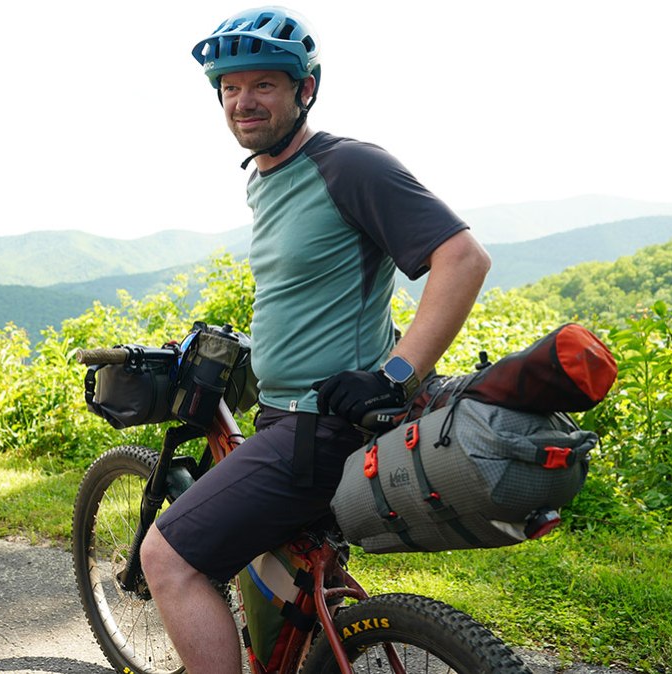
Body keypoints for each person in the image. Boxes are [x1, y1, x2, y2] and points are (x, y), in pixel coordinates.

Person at [139, 6, 491, 673]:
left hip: (316, 429)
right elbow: (313, 287)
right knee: (286, 569)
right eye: (230, 87)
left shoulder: (350, 164)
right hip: (289, 417)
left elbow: (463, 259)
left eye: (264, 84)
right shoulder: (266, 176)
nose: (243, 101)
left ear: (306, 89)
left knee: (168, 557)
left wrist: (396, 375)